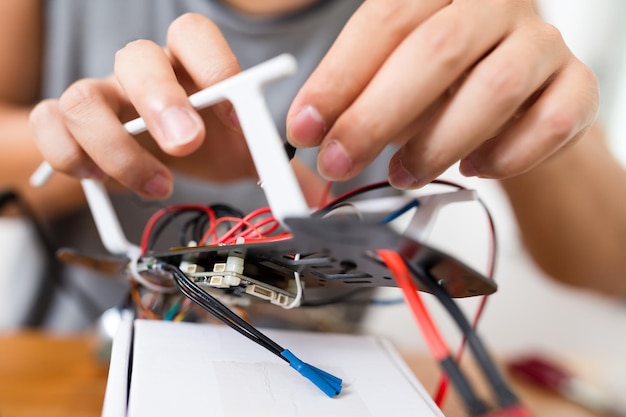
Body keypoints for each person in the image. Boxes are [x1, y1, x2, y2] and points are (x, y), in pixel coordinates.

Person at [0, 0, 623, 328]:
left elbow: (610, 263)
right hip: (68, 363)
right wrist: (117, 141)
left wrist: (523, 106)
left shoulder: (467, 10)